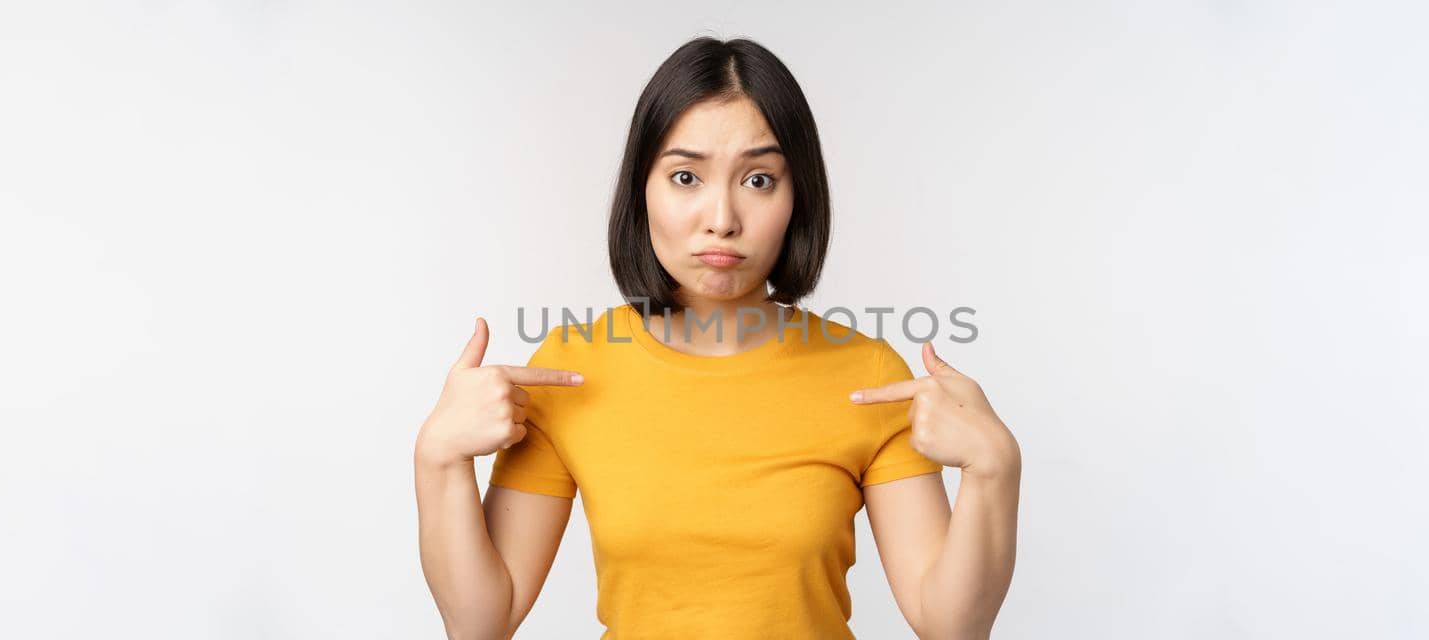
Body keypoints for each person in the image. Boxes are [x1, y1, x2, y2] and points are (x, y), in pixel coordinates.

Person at [413, 36, 1022, 639]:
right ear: (641, 190)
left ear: (797, 197)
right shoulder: (570, 369)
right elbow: (481, 622)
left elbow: (950, 627)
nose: (723, 219)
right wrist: (438, 457)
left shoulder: (868, 373)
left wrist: (995, 468)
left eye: (759, 180)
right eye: (685, 177)